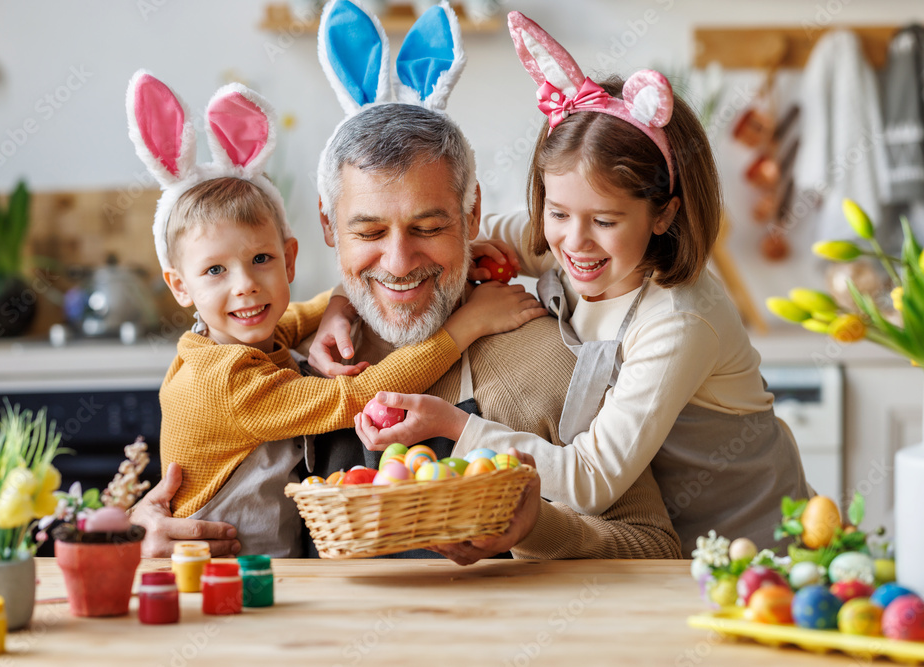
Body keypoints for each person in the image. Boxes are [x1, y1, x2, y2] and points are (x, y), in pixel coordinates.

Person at [131, 0, 682, 562]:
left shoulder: (543, 359)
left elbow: (658, 549)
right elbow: (173, 496)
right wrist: (136, 531)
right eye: (368, 231)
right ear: (327, 224)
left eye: (428, 226)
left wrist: (539, 528)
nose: (397, 262)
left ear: (472, 218)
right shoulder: (271, 351)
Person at [349, 11, 811, 557]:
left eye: (606, 221)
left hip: (752, 548)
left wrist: (453, 425)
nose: (575, 243)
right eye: (558, 212)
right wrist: (339, 304)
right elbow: (455, 245)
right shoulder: (562, 242)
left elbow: (591, 479)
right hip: (662, 548)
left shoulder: (677, 320)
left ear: (663, 215)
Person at [126, 72, 545, 556]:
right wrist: (467, 325)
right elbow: (358, 394)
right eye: (368, 234)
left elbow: (302, 312)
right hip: (235, 582)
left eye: (428, 227)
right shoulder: (225, 378)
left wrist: (342, 303)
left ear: (289, 258)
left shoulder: (257, 335)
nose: (245, 287)